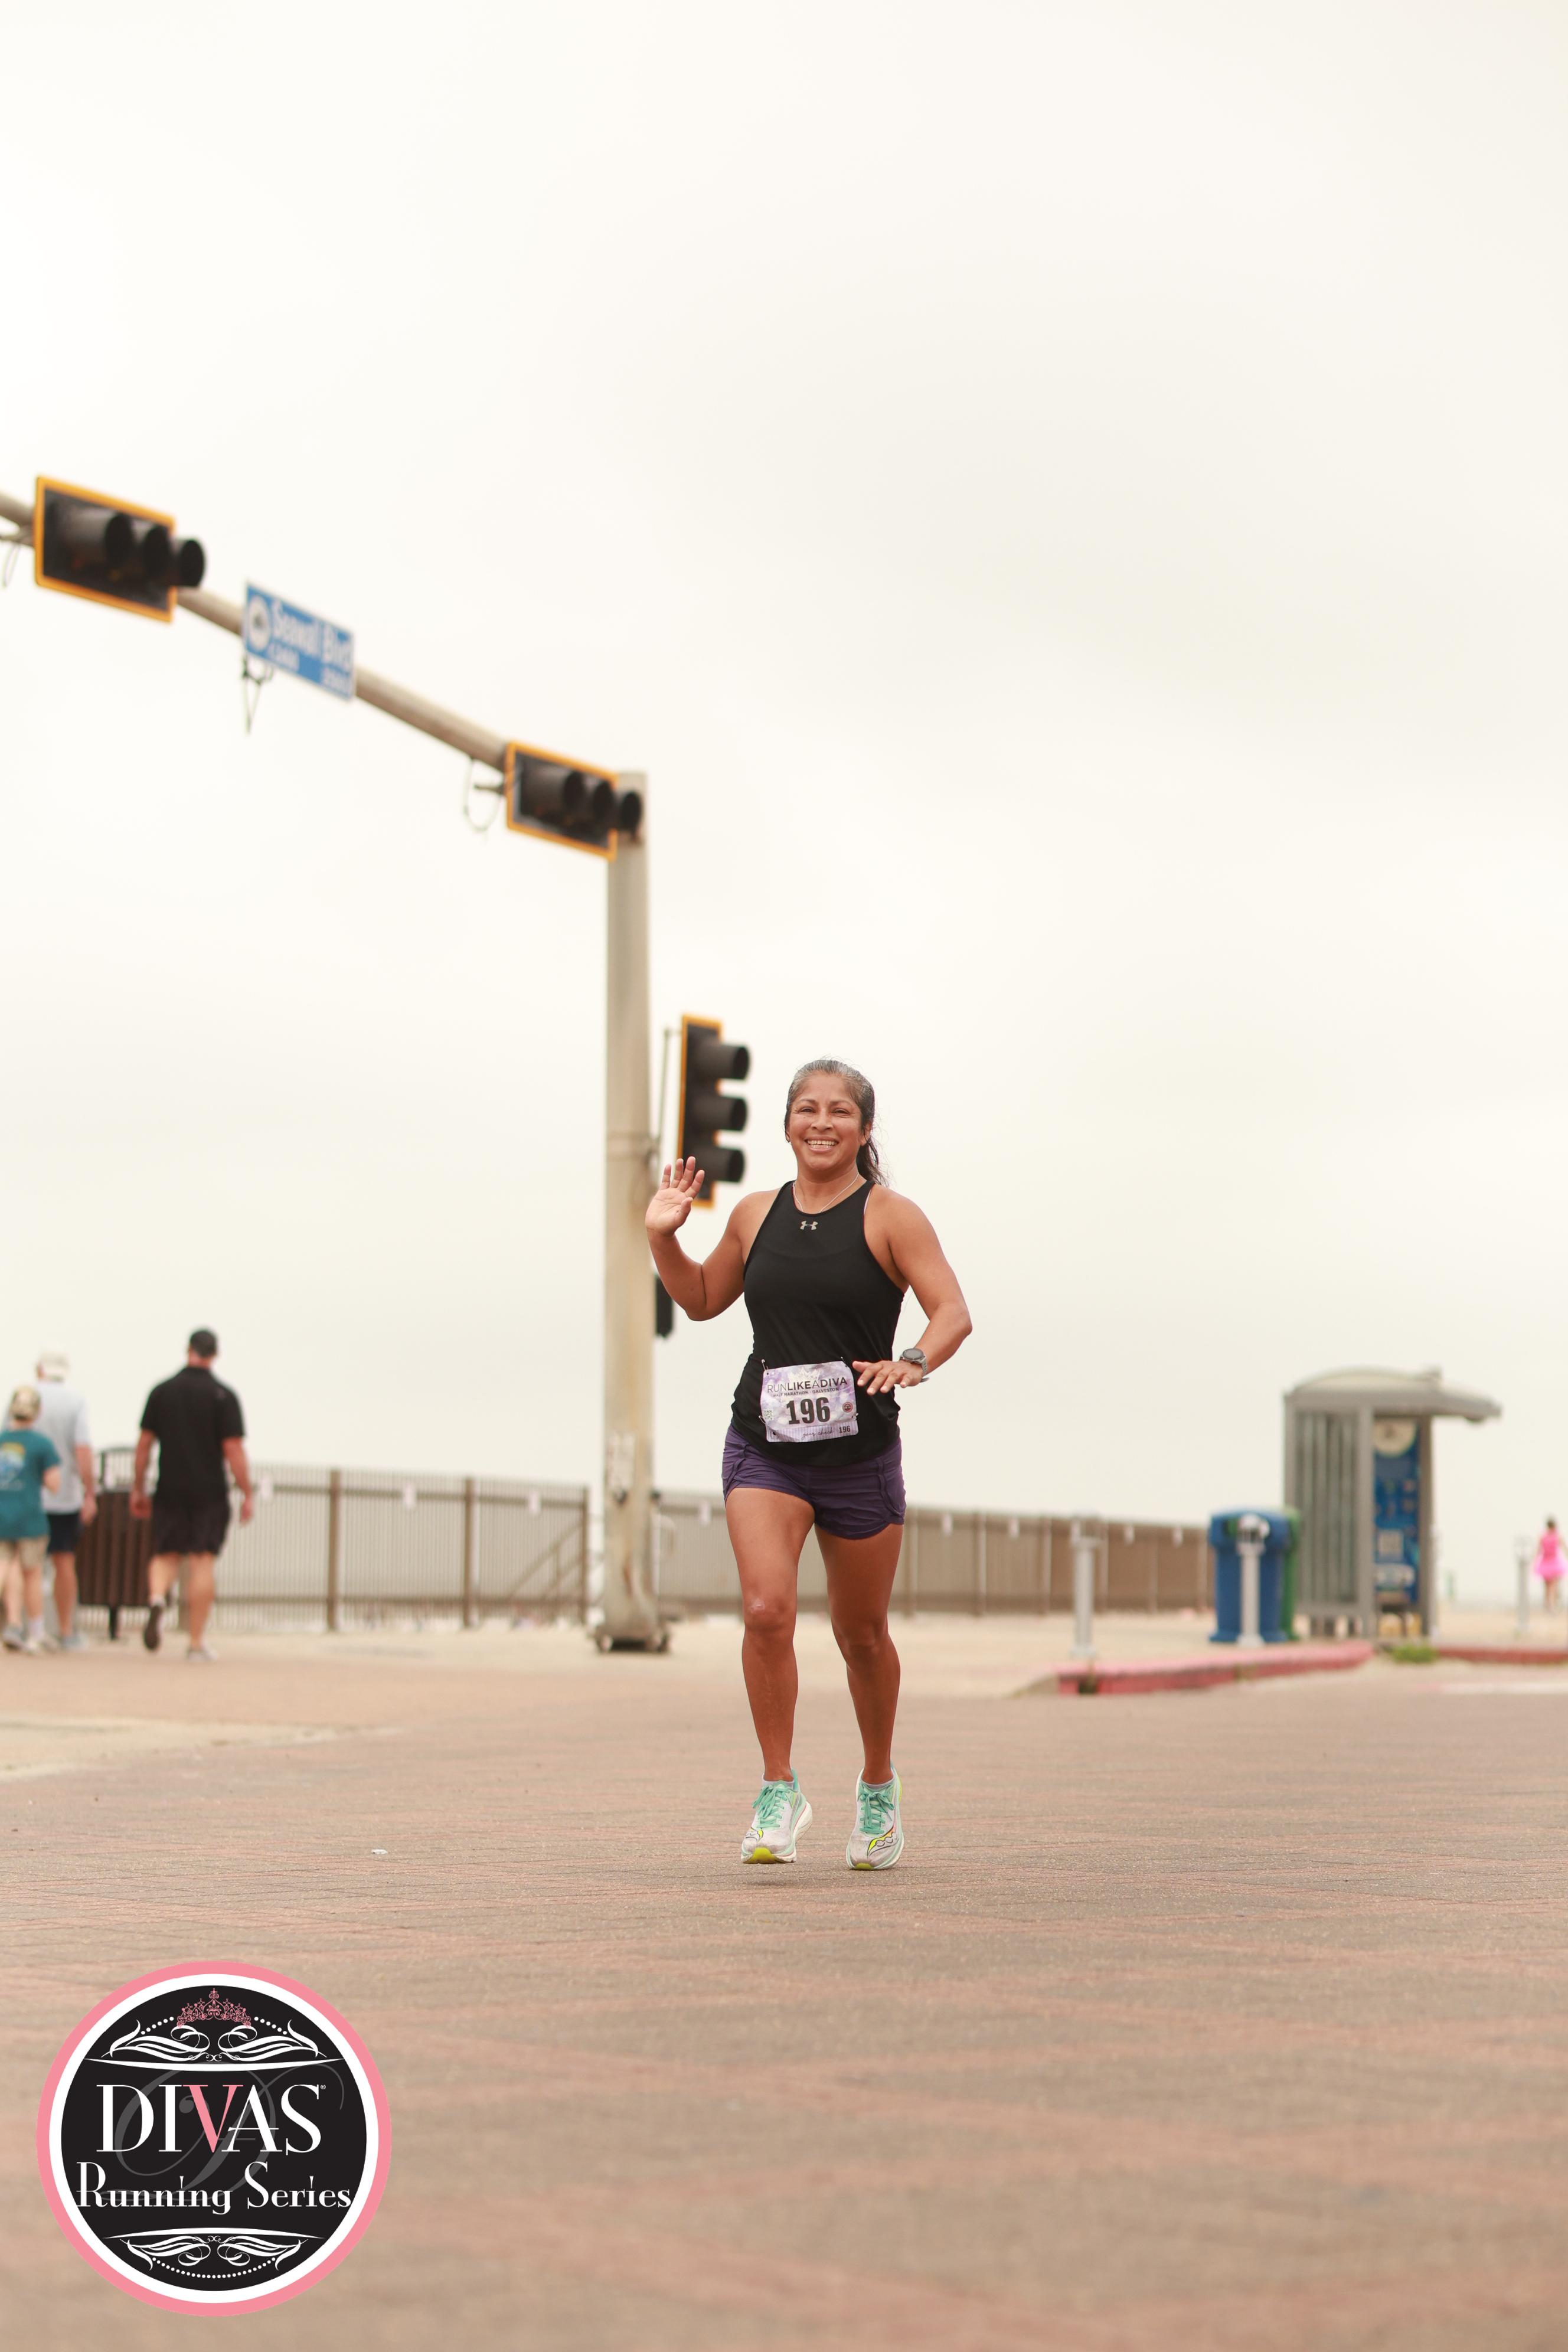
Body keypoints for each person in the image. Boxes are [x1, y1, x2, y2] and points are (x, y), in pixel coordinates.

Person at [646, 1057, 971, 1870]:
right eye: (806, 1109)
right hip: (766, 1447)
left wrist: (913, 1360)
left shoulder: (891, 1216)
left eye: (839, 1111)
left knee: (861, 1635)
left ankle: (878, 1786)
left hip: (859, 1456)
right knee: (765, 1611)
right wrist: (662, 1237)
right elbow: (700, 1299)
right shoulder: (756, 1214)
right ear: (787, 1122)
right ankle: (778, 1789)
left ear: (864, 1129)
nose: (821, 1123)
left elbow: (951, 1312)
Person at [130, 1329, 254, 1662]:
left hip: (169, 1487)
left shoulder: (162, 1392)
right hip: (209, 1492)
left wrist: (138, 1488)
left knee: (166, 1554)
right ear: (215, 1354)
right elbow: (233, 1449)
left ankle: (158, 1598)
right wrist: (246, 1491)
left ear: (188, 1350)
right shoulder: (223, 1396)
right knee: (202, 1561)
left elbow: (144, 1446)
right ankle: (196, 1643)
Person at [28, 1350, 97, 1651]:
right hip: (64, 1497)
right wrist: (90, 1492)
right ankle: (67, 1632)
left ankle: (24, 1627)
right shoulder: (75, 1401)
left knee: (19, 1565)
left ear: (40, 1369)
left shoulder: (24, 1397)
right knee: (64, 1560)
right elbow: (83, 1449)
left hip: (26, 1497)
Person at [0, 1387, 63, 1655]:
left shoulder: (2, 1439)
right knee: (32, 1573)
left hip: (2, 1516)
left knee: (6, 1566)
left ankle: (14, 1624)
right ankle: (36, 1632)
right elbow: (54, 1484)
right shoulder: (41, 1444)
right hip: (29, 1518)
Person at [1533, 1518, 1566, 1613]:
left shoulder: (1543, 1537)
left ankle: (1548, 1605)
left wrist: (1535, 1561)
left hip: (1547, 1563)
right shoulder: (1557, 1536)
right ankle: (1551, 1606)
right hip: (1553, 1563)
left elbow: (1538, 1551)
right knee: (1552, 1586)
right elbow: (1565, 1548)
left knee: (1548, 1587)